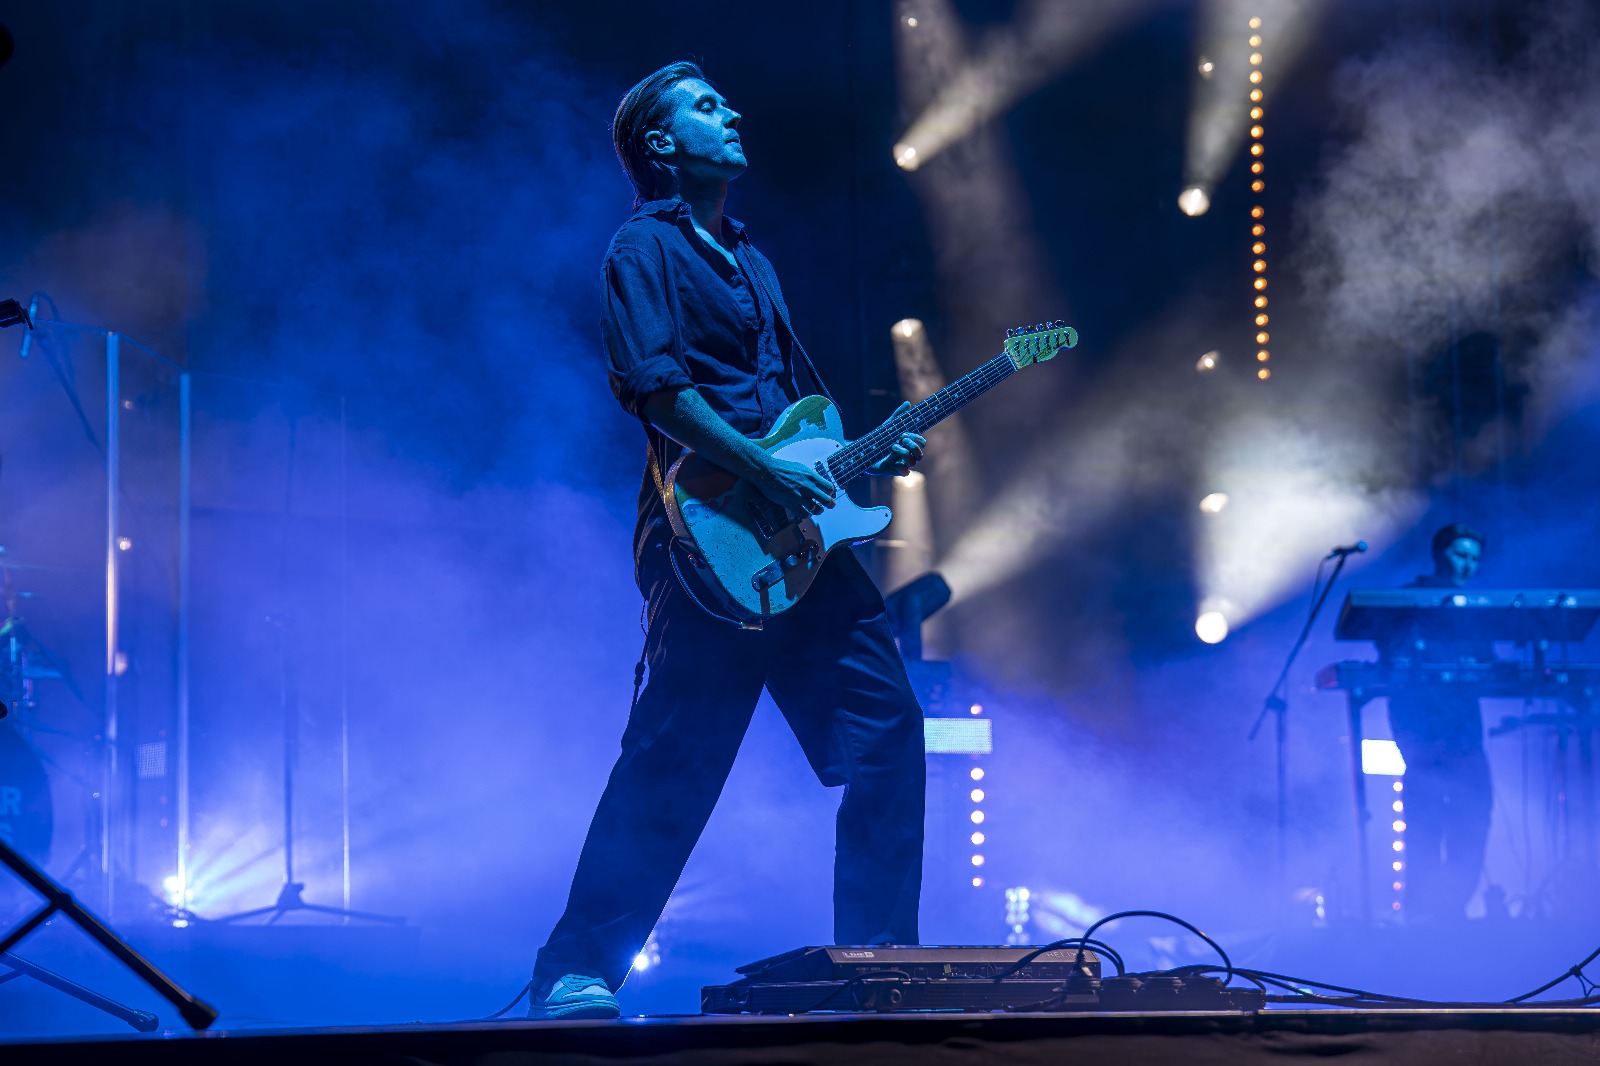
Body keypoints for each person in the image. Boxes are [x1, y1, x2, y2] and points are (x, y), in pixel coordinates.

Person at [527, 62, 929, 1020]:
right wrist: (762, 467)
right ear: (661, 143)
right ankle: (573, 970)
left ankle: (880, 965)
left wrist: (860, 455)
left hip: (802, 544)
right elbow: (655, 392)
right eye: (708, 107)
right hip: (707, 541)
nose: (734, 111)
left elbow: (797, 417)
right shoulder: (642, 248)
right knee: (675, 757)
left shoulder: (754, 259)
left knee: (888, 732)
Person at [1383, 522, 1493, 920]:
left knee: (1475, 821)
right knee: (1424, 826)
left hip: (1466, 734)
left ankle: (1452, 910)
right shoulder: (1408, 602)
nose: (1467, 565)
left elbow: (1489, 663)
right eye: (1460, 555)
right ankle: (1424, 914)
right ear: (1438, 554)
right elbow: (1388, 654)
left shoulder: (1476, 608)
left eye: (1474, 559)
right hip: (1421, 731)